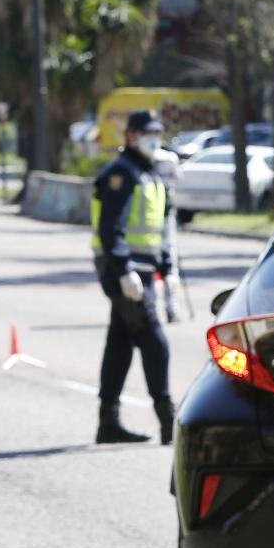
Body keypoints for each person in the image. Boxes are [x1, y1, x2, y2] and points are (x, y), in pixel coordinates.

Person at [91, 109, 175, 445]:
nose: (153, 139)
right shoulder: (122, 174)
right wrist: (123, 269)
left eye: (157, 132)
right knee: (155, 342)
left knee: (120, 343)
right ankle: (168, 419)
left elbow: (162, 230)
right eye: (147, 133)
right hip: (123, 270)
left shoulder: (151, 174)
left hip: (143, 269)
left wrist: (167, 269)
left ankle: (107, 422)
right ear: (131, 136)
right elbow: (110, 228)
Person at [150, 143, 183, 323]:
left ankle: (153, 308)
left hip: (149, 216)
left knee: (151, 265)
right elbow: (179, 178)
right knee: (170, 264)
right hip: (167, 215)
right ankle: (172, 308)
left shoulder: (145, 158)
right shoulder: (170, 159)